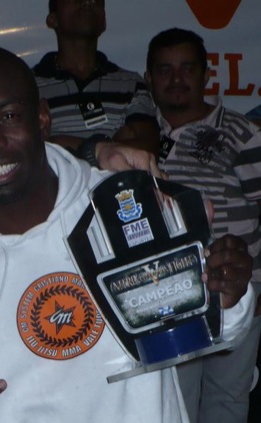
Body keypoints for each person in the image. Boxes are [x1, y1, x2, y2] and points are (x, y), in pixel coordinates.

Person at [0, 45, 254, 422]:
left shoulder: (121, 205)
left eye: (8, 116)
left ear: (42, 119)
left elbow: (210, 330)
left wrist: (227, 294)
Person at [144, 27, 261, 423]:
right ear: (148, 78)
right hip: (165, 301)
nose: (176, 79)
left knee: (226, 404)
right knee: (171, 406)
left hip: (236, 294)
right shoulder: (139, 137)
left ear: (206, 74)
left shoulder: (243, 134)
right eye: (165, 70)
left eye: (187, 68)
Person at [33, 0, 160, 157]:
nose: (88, 2)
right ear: (53, 19)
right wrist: (113, 146)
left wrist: (60, 143)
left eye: (97, 1)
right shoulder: (28, 86)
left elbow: (148, 149)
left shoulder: (131, 83)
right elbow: (30, 149)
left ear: (104, 21)